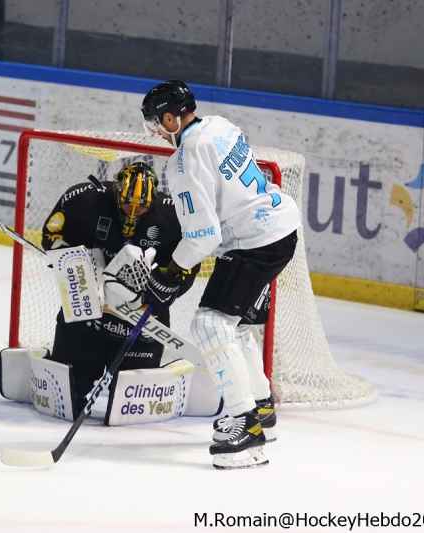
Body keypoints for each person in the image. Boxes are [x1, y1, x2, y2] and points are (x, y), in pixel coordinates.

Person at [140, 80, 301, 469]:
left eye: (155, 124)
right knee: (236, 325)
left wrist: (170, 271)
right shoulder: (218, 125)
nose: (156, 133)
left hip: (256, 241)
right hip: (279, 227)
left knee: (210, 325)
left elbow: (203, 235)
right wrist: (179, 265)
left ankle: (246, 426)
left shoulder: (184, 159)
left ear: (169, 117)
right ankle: (261, 408)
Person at [41, 161, 197, 417]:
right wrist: (74, 263)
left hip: (139, 319)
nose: (133, 212)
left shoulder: (173, 216)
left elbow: (189, 262)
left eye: (142, 207)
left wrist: (166, 284)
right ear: (115, 192)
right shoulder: (85, 199)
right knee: (65, 400)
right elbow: (52, 235)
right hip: (87, 311)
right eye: (127, 204)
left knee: (131, 409)